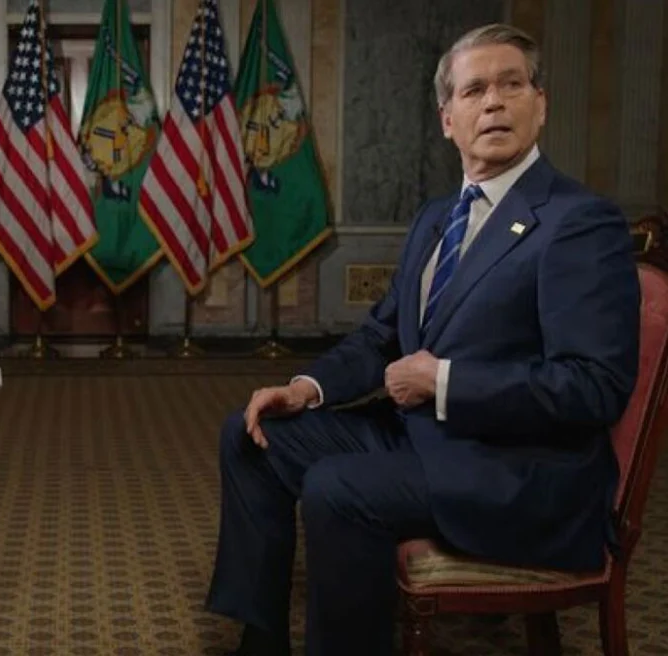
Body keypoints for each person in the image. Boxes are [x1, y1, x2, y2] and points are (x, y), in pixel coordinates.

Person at [205, 22, 639, 656]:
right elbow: (381, 335)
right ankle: (262, 642)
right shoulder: (438, 217)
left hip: (514, 469)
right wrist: (304, 388)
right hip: (420, 437)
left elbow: (593, 387)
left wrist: (442, 381)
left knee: (336, 489)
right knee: (250, 437)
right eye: (474, 90)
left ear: (541, 105)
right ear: (447, 119)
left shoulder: (578, 222)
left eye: (512, 85)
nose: (494, 102)